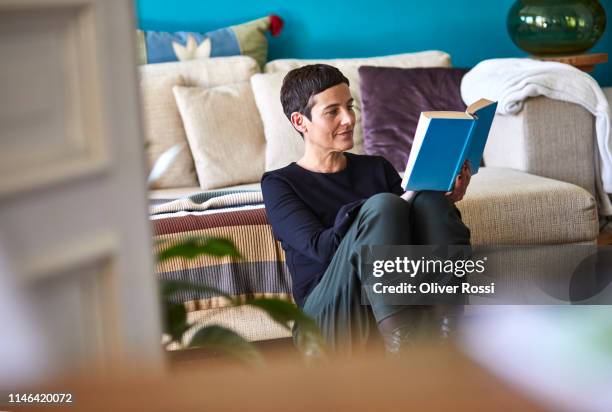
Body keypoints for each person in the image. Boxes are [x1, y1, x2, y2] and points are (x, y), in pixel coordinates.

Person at [261, 64, 471, 355]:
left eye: (349, 106)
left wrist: (446, 198)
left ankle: (451, 331)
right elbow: (320, 249)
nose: (349, 119)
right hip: (328, 321)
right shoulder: (280, 184)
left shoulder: (376, 168)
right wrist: (370, 212)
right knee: (384, 204)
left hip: (385, 302)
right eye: (332, 112)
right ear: (300, 122)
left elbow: (412, 236)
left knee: (429, 201)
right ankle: (404, 349)